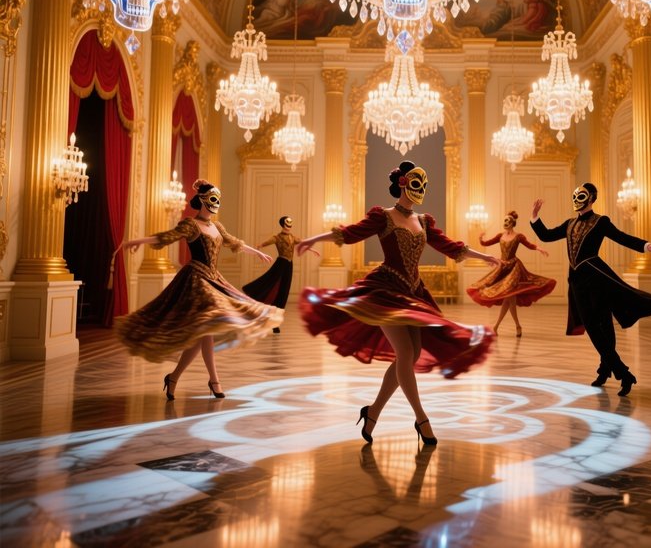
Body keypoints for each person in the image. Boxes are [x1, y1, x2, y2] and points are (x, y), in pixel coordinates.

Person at [297, 161, 499, 446]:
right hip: (384, 292)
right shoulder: (384, 216)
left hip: (413, 293)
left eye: (424, 184)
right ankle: (421, 418)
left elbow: (451, 247)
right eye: (416, 183)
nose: (421, 189)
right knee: (405, 352)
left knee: (411, 354)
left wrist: (484, 257)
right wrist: (312, 238)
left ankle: (373, 412)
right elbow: (350, 233)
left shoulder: (424, 221)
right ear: (403, 183)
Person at [114, 179, 282, 400]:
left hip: (214, 277)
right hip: (196, 280)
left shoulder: (217, 226)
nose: (216, 203)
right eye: (213, 199)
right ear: (202, 201)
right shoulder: (190, 225)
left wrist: (257, 252)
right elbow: (166, 237)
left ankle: (174, 378)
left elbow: (235, 243)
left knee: (202, 334)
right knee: (207, 329)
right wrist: (137, 241)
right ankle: (214, 380)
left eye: (218, 200)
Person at [530, 184, 651, 397]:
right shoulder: (569, 224)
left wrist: (647, 246)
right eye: (575, 195)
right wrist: (535, 218)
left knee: (602, 326)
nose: (577, 198)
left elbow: (622, 237)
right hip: (576, 281)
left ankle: (621, 373)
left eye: (582, 195)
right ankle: (606, 370)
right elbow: (546, 236)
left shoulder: (600, 221)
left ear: (592, 198)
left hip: (596, 278)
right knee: (593, 326)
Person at [467, 210, 556, 336]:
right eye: (504, 220)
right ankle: (513, 326)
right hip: (502, 267)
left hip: (514, 268)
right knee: (509, 299)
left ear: (513, 223)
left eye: (508, 221)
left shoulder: (518, 236)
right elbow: (485, 243)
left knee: (509, 296)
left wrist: (539, 249)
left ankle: (500, 326)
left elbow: (529, 245)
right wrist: (480, 238)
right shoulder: (500, 236)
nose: (505, 222)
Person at [243, 216, 319, 334]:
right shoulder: (277, 238)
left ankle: (275, 323)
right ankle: (256, 302)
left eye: (290, 223)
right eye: (287, 223)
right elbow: (265, 243)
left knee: (283, 294)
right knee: (269, 286)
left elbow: (303, 243)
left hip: (289, 266)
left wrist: (312, 250)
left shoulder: (293, 237)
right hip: (280, 264)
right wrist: (258, 248)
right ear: (282, 224)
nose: (289, 225)